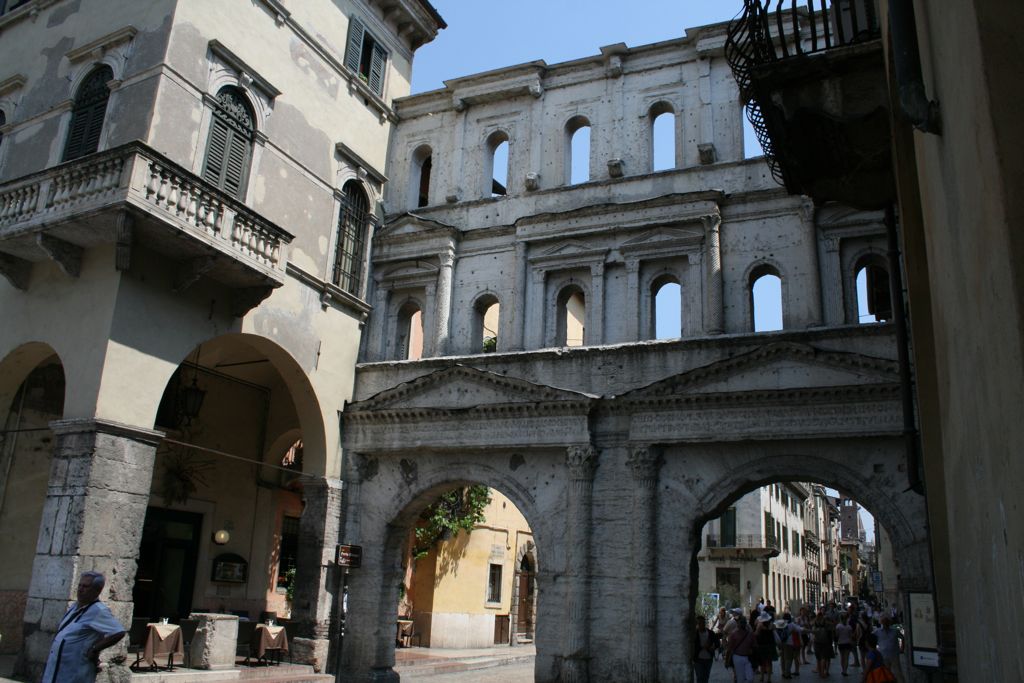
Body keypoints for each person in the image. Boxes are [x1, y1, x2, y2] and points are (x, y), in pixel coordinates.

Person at [42, 571, 126, 683]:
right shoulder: (75, 606)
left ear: (97, 590)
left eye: (86, 586)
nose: (81, 589)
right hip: (58, 670)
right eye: (80, 585)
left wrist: (95, 648)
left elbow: (118, 632)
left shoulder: (99, 610)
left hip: (75, 673)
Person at [728, 615, 758, 683]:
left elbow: (755, 646)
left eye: (744, 622)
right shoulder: (733, 634)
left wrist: (752, 650)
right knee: (740, 678)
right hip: (737, 657)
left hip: (748, 658)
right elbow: (730, 648)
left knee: (750, 678)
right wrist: (728, 660)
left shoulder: (750, 634)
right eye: (741, 622)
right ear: (738, 623)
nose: (742, 624)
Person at [873, 617, 903, 682]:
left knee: (898, 672)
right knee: (886, 672)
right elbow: (871, 638)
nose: (885, 623)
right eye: (883, 622)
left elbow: (902, 637)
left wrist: (902, 648)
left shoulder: (895, 631)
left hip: (894, 655)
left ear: (889, 623)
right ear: (881, 623)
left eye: (886, 622)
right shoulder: (877, 631)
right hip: (883, 655)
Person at [693, 614, 721, 683]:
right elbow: (692, 645)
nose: (701, 625)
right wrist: (703, 647)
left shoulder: (710, 633)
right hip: (698, 659)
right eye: (699, 623)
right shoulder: (694, 634)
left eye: (702, 623)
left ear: (704, 623)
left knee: (706, 677)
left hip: (708, 659)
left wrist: (713, 647)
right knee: (700, 677)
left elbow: (717, 643)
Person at [754, 614, 778, 682]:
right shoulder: (772, 625)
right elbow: (775, 631)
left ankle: (762, 677)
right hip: (770, 645)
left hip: (762, 645)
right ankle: (769, 678)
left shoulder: (760, 625)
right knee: (769, 662)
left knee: (762, 662)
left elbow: (756, 634)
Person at [812, 612, 834, 679]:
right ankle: (823, 672)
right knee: (823, 658)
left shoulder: (814, 622)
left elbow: (811, 628)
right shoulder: (826, 623)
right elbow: (832, 628)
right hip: (825, 642)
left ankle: (820, 672)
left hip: (816, 642)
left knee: (818, 658)